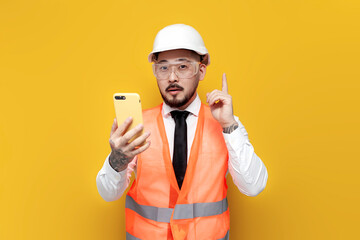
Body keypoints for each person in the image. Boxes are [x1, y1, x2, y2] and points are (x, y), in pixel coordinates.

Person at [96, 24, 268, 240]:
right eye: (164, 67)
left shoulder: (226, 125)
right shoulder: (138, 125)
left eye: (183, 67)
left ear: (201, 70)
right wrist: (117, 160)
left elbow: (254, 186)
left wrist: (229, 125)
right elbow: (108, 193)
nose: (172, 78)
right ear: (155, 72)